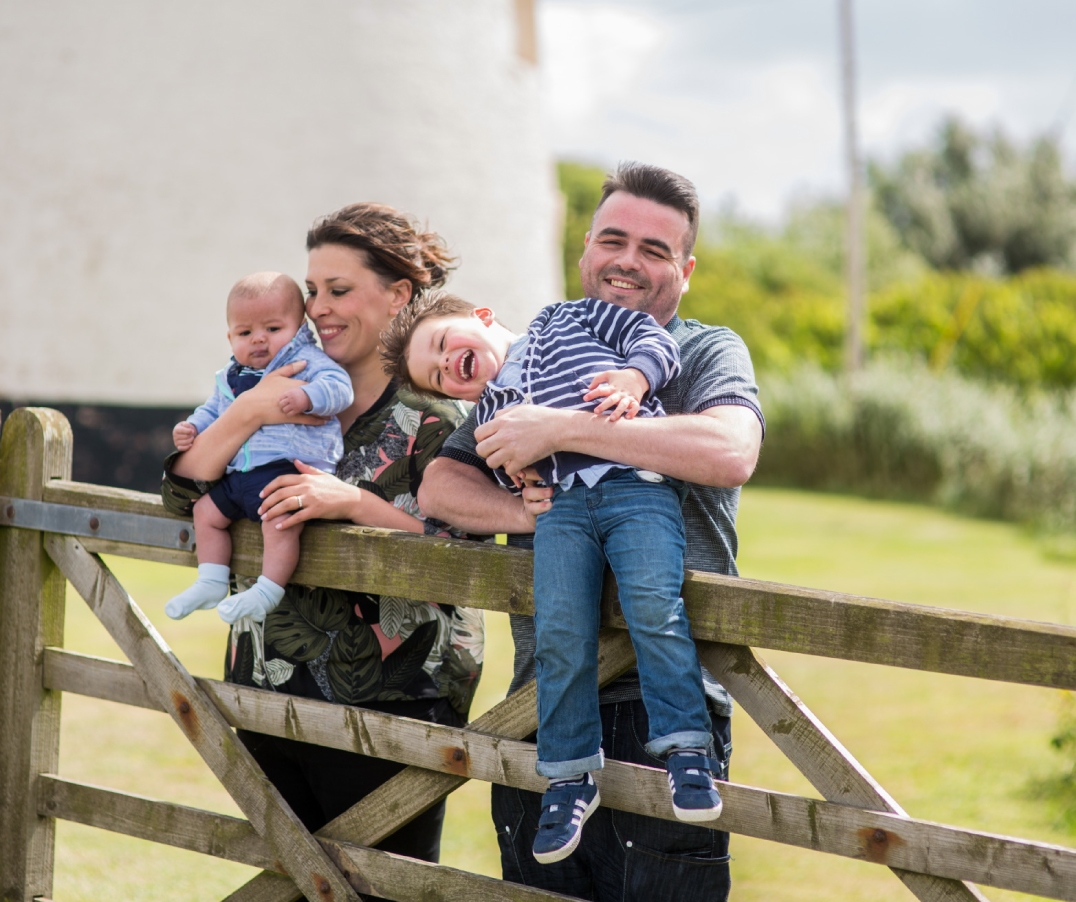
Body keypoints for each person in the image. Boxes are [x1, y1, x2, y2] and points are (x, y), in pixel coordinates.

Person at [418, 162, 764, 901]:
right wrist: (523, 512)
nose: (627, 261)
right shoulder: (541, 350)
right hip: (538, 704)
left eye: (654, 249)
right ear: (584, 250)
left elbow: (730, 452)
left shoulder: (705, 349)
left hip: (666, 714)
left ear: (686, 269)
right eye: (614, 240)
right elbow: (442, 482)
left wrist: (567, 430)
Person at [158, 204, 484, 893]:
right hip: (264, 687)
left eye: (340, 289)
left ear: (398, 295)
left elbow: (469, 550)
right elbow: (186, 498)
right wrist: (250, 411)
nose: (319, 308)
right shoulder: (272, 385)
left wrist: (352, 504)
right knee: (283, 885)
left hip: (396, 705)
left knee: (379, 888)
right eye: (313, 290)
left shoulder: (439, 416)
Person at [381, 291, 724, 863]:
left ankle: (688, 750)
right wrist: (520, 485)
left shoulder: (569, 316)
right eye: (438, 377)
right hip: (563, 511)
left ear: (483, 317)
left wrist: (634, 381)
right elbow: (482, 476)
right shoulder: (488, 413)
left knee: (653, 609)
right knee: (559, 632)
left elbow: (652, 338)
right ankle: (569, 777)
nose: (447, 366)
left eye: (443, 344)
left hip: (637, 488)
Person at [166, 271, 353, 624]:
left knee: (279, 523)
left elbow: (340, 387)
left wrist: (307, 396)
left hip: (285, 470)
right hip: (239, 473)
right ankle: (210, 579)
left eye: (273, 329)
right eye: (245, 332)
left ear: (299, 328)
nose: (259, 340)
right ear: (230, 336)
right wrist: (192, 426)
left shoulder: (307, 362)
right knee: (206, 513)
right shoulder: (230, 376)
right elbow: (213, 410)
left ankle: (268, 590)